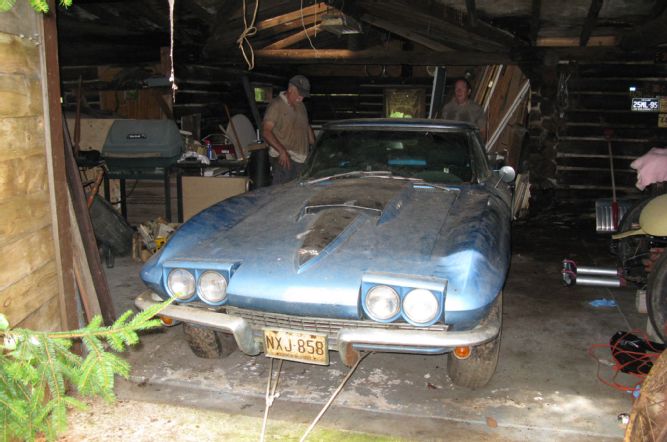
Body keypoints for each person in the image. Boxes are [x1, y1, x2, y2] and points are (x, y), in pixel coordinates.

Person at [262, 75, 315, 185]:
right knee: (281, 192)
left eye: (304, 94)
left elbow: (306, 125)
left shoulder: (301, 106)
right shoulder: (276, 105)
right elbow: (266, 131)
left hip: (301, 159)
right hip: (285, 157)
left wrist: (314, 146)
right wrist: (282, 151)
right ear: (290, 89)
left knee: (297, 193)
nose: (302, 97)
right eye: (299, 93)